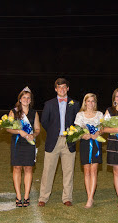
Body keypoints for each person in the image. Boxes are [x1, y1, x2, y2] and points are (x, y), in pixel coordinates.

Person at [38, 78, 80, 207]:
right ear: (55, 89)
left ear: (67, 88)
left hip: (69, 142)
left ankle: (67, 197)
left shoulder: (75, 103)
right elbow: (44, 121)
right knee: (48, 170)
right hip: (53, 141)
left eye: (64, 87)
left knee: (68, 171)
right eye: (59, 87)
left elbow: (77, 122)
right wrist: (53, 132)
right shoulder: (49, 104)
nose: (62, 89)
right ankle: (43, 197)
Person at [7, 87, 40, 207]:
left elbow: (37, 129)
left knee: (28, 168)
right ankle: (18, 196)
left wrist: (34, 135)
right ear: (20, 99)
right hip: (17, 142)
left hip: (29, 143)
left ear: (30, 100)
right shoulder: (13, 112)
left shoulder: (34, 113)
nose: (26, 99)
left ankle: (26, 196)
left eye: (28, 98)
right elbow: (8, 128)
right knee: (17, 168)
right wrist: (19, 132)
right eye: (24, 97)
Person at [74, 93, 104, 208]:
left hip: (96, 144)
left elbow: (102, 128)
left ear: (95, 103)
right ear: (85, 102)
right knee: (86, 171)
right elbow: (76, 130)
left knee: (94, 170)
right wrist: (82, 135)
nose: (90, 103)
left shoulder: (99, 114)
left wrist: (98, 133)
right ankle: (89, 196)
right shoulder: (80, 115)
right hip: (85, 144)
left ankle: (91, 198)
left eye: (93, 101)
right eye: (88, 101)